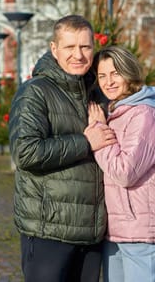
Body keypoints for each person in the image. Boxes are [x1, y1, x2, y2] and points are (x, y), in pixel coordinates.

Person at [8, 14, 118, 282]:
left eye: (85, 47)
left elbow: (138, 100)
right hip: (49, 231)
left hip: (91, 231)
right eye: (70, 47)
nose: (78, 55)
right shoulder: (35, 92)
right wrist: (86, 142)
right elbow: (26, 153)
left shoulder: (98, 90)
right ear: (54, 49)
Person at [88, 46, 155, 282]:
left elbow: (125, 172)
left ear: (130, 73)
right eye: (102, 75)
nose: (108, 82)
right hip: (119, 226)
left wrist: (98, 131)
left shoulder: (143, 114)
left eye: (115, 73)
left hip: (140, 227)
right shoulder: (118, 111)